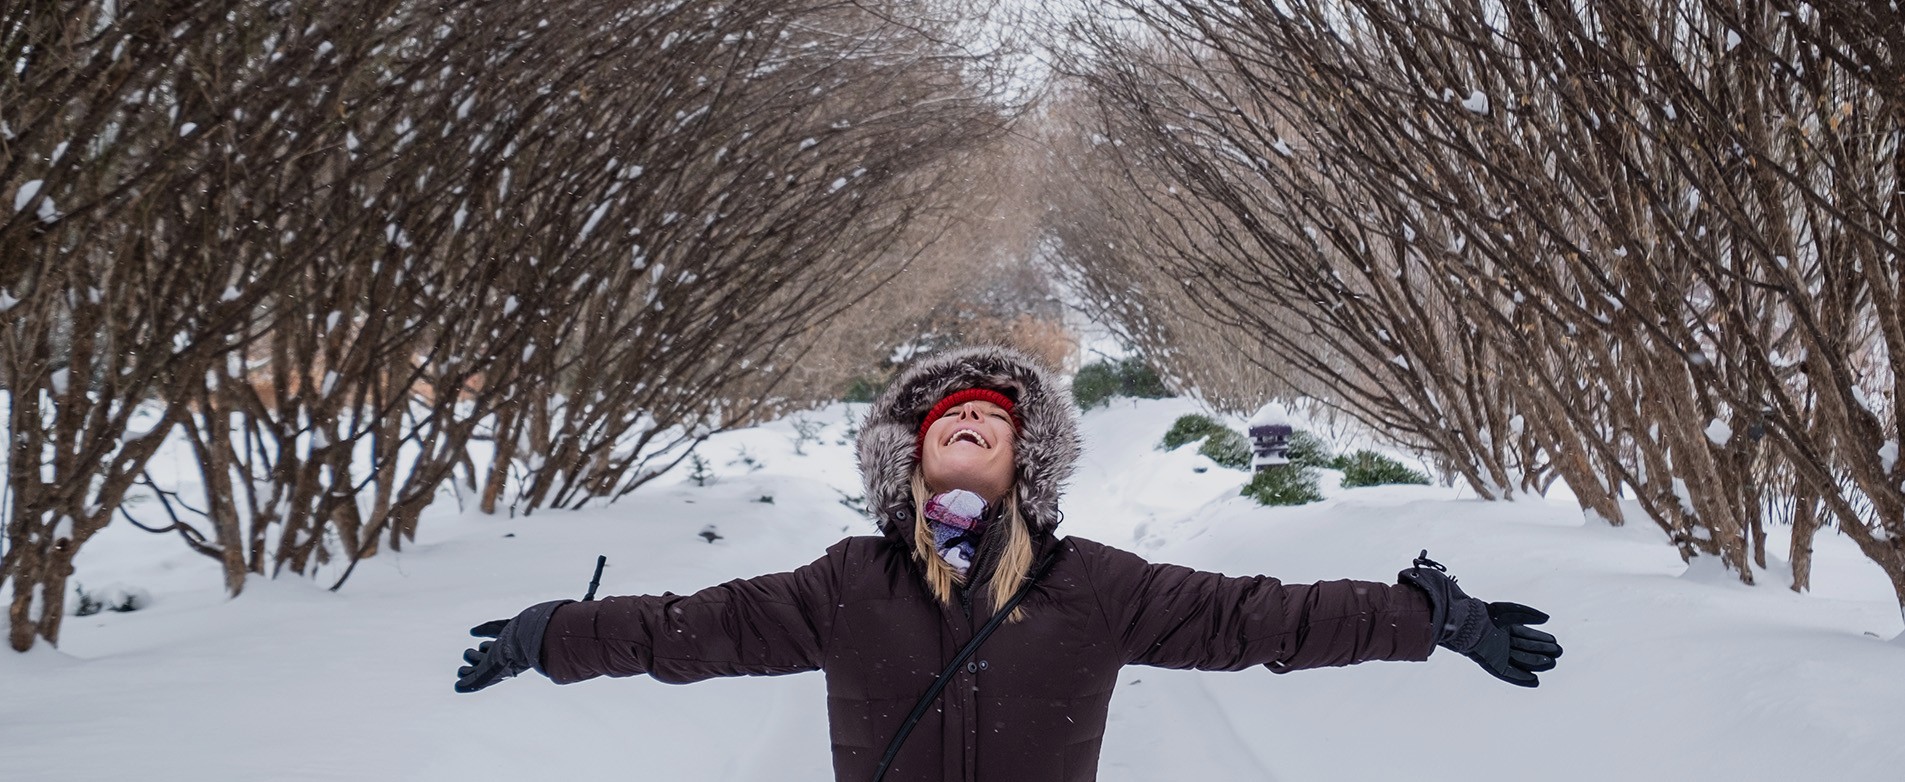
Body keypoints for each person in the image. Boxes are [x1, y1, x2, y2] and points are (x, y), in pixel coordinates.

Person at [455, 346, 1562, 782]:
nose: (974, 419)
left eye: (996, 414)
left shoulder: (1098, 585)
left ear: (1027, 454)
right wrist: (550, 632)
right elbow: (687, 628)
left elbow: (1258, 619)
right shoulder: (847, 583)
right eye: (952, 414)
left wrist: (1432, 618)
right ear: (912, 452)